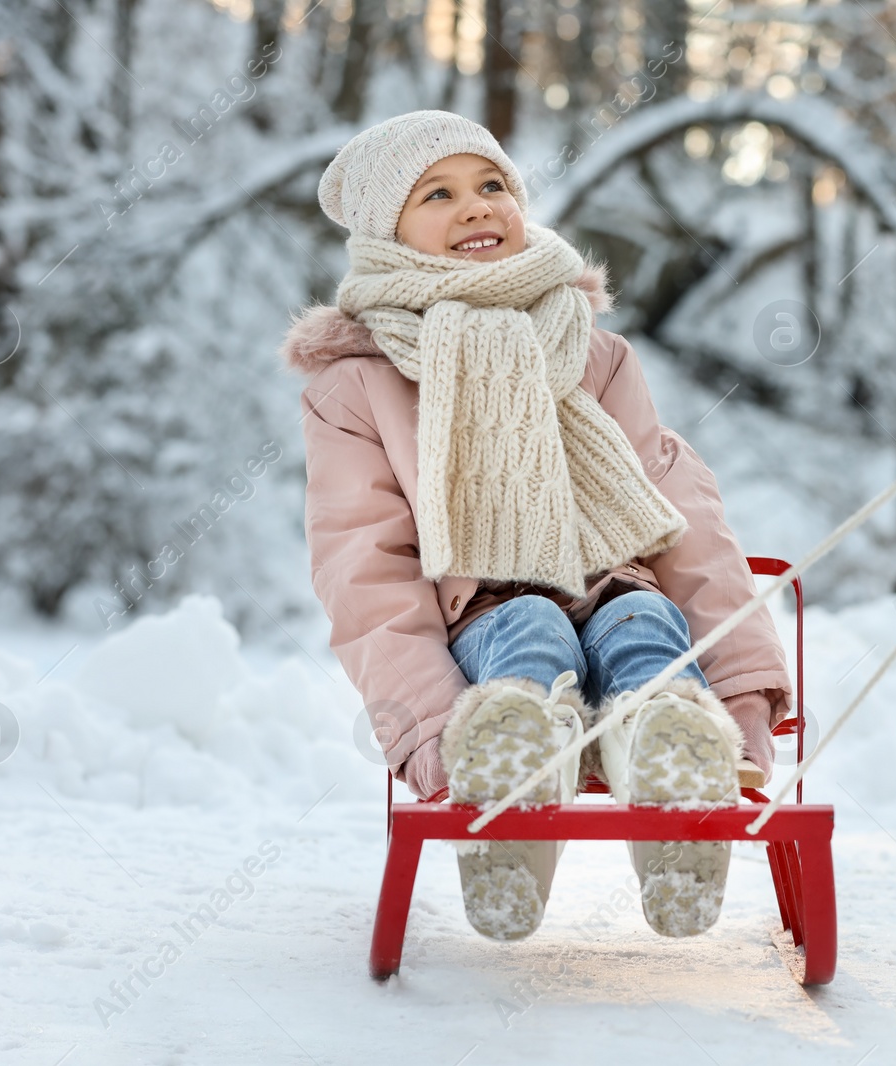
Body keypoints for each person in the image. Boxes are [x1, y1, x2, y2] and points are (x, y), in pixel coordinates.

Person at [281, 110, 792, 943]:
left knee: (645, 625)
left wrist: (738, 694)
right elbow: (362, 568)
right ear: (388, 234)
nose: (477, 207)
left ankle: (673, 769)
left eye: (492, 186)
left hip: (615, 587)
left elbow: (686, 526)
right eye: (437, 195)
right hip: (483, 623)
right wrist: (430, 726)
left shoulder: (593, 354)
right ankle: (509, 801)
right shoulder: (358, 387)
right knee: (530, 633)